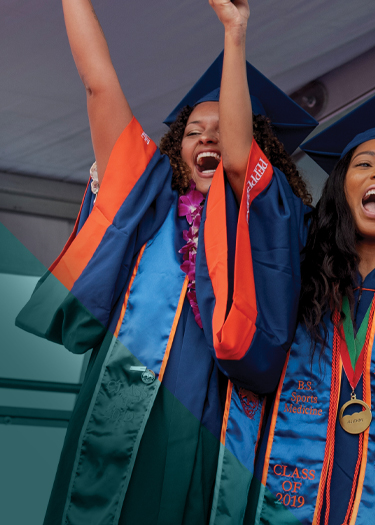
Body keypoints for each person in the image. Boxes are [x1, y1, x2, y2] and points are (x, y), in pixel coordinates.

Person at [15, 1, 315, 523]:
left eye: (222, 128)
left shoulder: (266, 220)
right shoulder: (145, 206)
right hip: (124, 409)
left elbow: (242, 164)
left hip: (216, 424)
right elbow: (99, 86)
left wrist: (235, 33)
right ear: (177, 150)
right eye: (195, 130)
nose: (208, 137)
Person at [200, 5, 375, 524]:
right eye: (364, 165)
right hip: (300, 478)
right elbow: (239, 162)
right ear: (342, 187)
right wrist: (235, 36)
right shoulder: (302, 262)